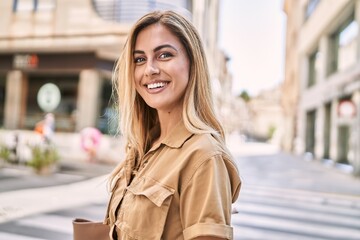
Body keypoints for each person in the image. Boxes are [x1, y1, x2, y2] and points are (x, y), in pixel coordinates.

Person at [105, 10, 241, 240]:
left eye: (164, 55)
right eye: (140, 59)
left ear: (192, 62)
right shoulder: (141, 148)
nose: (149, 69)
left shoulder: (204, 157)